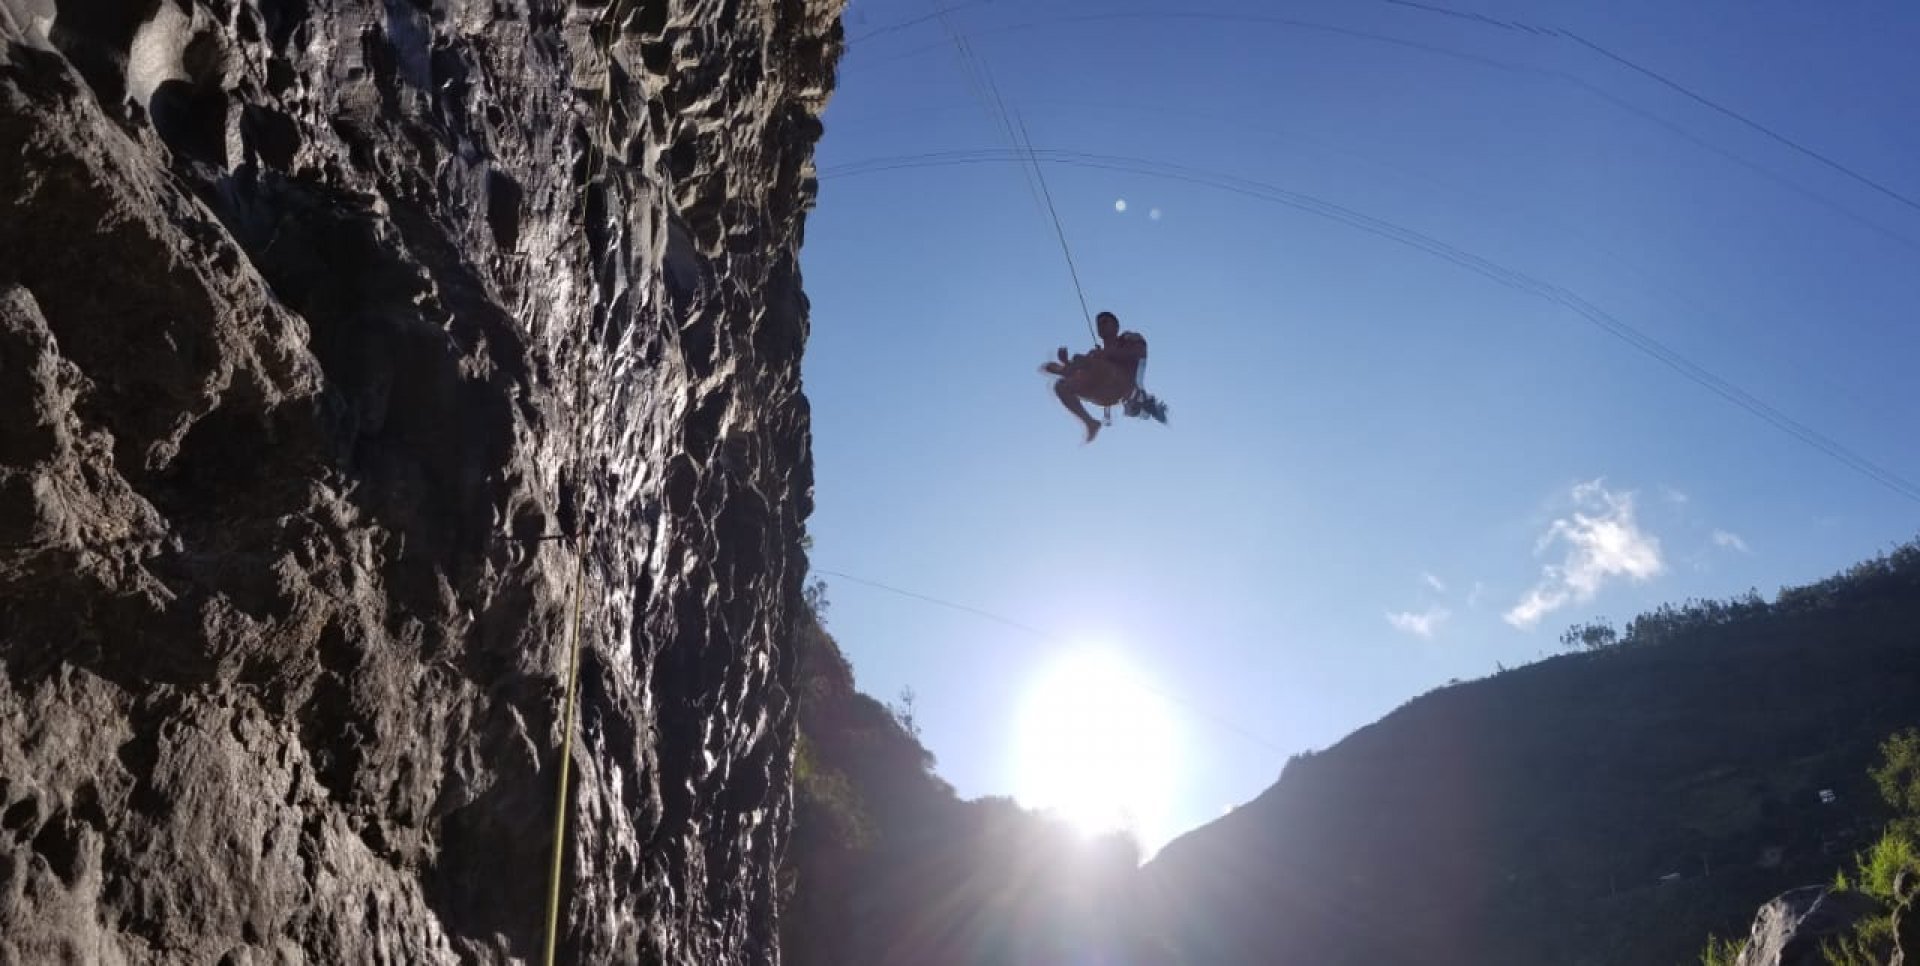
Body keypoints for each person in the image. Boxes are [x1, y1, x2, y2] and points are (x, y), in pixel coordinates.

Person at [1043, 311, 1150, 442]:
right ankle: (1090, 423)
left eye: (1105, 322)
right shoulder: (1095, 354)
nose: (1101, 326)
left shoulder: (1127, 338)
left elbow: (1139, 352)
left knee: (1083, 360)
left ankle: (1066, 368)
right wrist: (1065, 363)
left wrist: (1107, 354)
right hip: (1103, 394)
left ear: (1116, 326)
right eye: (1099, 324)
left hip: (1122, 384)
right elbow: (1080, 372)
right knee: (1061, 386)